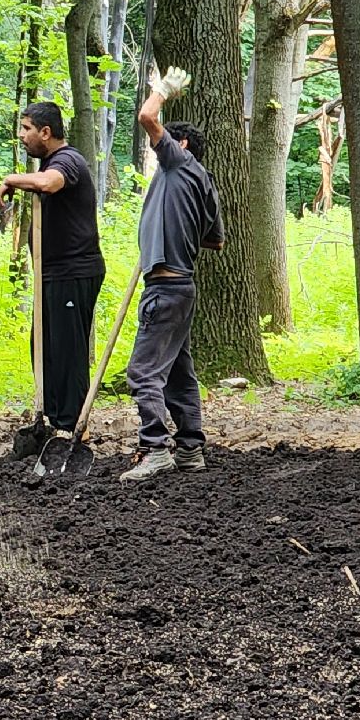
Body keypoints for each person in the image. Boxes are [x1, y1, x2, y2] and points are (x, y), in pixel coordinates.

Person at [119, 66, 222, 482]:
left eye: (159, 146)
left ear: (179, 145)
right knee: (179, 372)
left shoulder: (179, 164)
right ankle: (191, 450)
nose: (154, 150)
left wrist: (161, 92)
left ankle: (155, 448)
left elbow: (147, 118)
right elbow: (215, 241)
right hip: (182, 287)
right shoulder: (205, 182)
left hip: (164, 287)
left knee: (142, 372)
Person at [0, 101, 105, 442]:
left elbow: (50, 184)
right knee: (44, 347)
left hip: (74, 271)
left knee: (67, 351)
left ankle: (74, 427)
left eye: (26, 128)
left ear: (46, 132)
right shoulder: (48, 162)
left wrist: (12, 179)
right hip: (52, 274)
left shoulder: (67, 160)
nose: (21, 135)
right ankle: (54, 418)